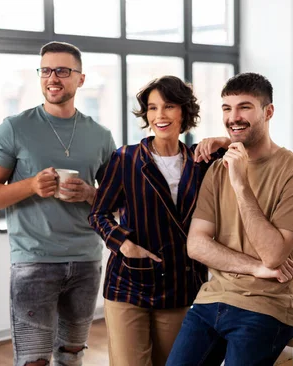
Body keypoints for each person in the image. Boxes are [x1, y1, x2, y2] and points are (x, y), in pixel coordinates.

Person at [0, 41, 116, 366]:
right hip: (33, 263)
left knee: (71, 356)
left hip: (86, 260)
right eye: (46, 70)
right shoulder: (14, 128)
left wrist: (90, 194)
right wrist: (31, 185)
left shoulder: (101, 135)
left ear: (80, 79)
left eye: (63, 71)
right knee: (33, 361)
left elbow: (118, 202)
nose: (53, 78)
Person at [166, 72, 293, 366]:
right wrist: (254, 267)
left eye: (244, 107)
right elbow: (196, 245)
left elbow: (274, 255)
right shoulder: (217, 170)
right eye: (227, 108)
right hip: (211, 300)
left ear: (268, 111)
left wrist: (240, 183)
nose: (233, 117)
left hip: (266, 307)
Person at [88, 75, 230, 366]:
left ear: (184, 112)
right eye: (152, 108)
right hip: (129, 282)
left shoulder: (201, 161)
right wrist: (124, 245)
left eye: (168, 106)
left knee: (173, 362)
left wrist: (224, 140)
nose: (159, 116)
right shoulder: (126, 159)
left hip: (179, 284)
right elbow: (98, 214)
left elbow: (248, 152)